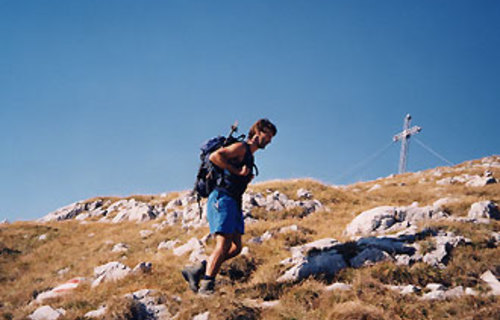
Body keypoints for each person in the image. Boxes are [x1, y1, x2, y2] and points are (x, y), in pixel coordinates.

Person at [182, 118, 277, 295]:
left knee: (236, 247)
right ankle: (207, 287)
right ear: (257, 133)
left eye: (271, 137)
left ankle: (199, 269)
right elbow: (215, 156)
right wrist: (237, 172)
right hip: (222, 197)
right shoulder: (241, 147)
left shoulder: (250, 155)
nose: (269, 140)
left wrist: (243, 177)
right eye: (268, 135)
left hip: (233, 200)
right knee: (224, 243)